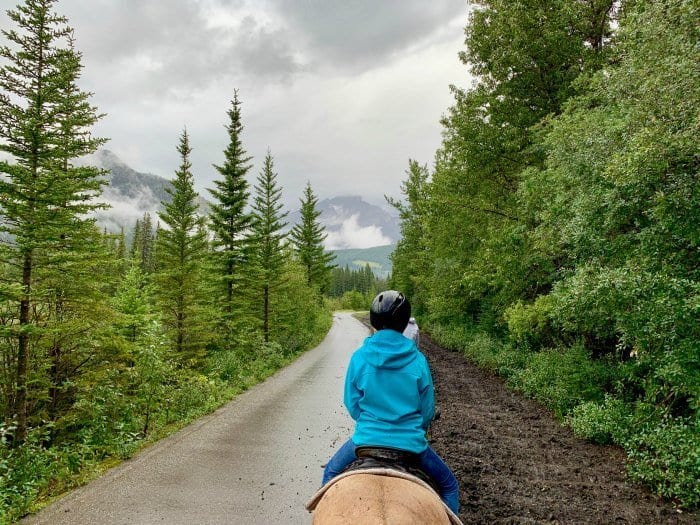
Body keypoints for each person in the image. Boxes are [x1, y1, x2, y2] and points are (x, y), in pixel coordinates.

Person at [322, 290, 459, 514]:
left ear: (374, 320)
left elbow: (351, 402)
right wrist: (417, 430)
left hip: (365, 441)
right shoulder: (417, 360)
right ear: (405, 322)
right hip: (411, 445)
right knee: (449, 485)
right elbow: (427, 410)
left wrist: (369, 422)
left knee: (329, 475)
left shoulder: (359, 356)